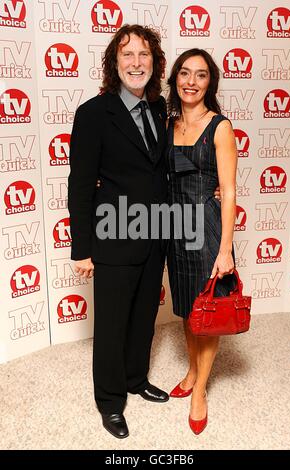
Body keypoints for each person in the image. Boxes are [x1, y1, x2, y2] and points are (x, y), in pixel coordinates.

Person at [68, 24, 169, 439]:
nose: (136, 62)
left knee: (144, 316)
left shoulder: (162, 109)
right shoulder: (94, 113)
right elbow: (80, 183)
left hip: (156, 235)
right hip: (113, 237)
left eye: (144, 54)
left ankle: (135, 378)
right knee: (110, 324)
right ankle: (110, 401)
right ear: (114, 63)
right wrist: (81, 249)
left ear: (155, 63)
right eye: (127, 55)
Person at [166, 49, 237, 435]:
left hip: (207, 229)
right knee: (186, 309)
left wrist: (225, 249)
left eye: (201, 75)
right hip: (174, 228)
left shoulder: (219, 126)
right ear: (175, 78)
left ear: (211, 83)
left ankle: (200, 392)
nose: (191, 82)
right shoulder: (167, 123)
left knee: (206, 313)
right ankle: (193, 371)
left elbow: (227, 190)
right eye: (185, 73)